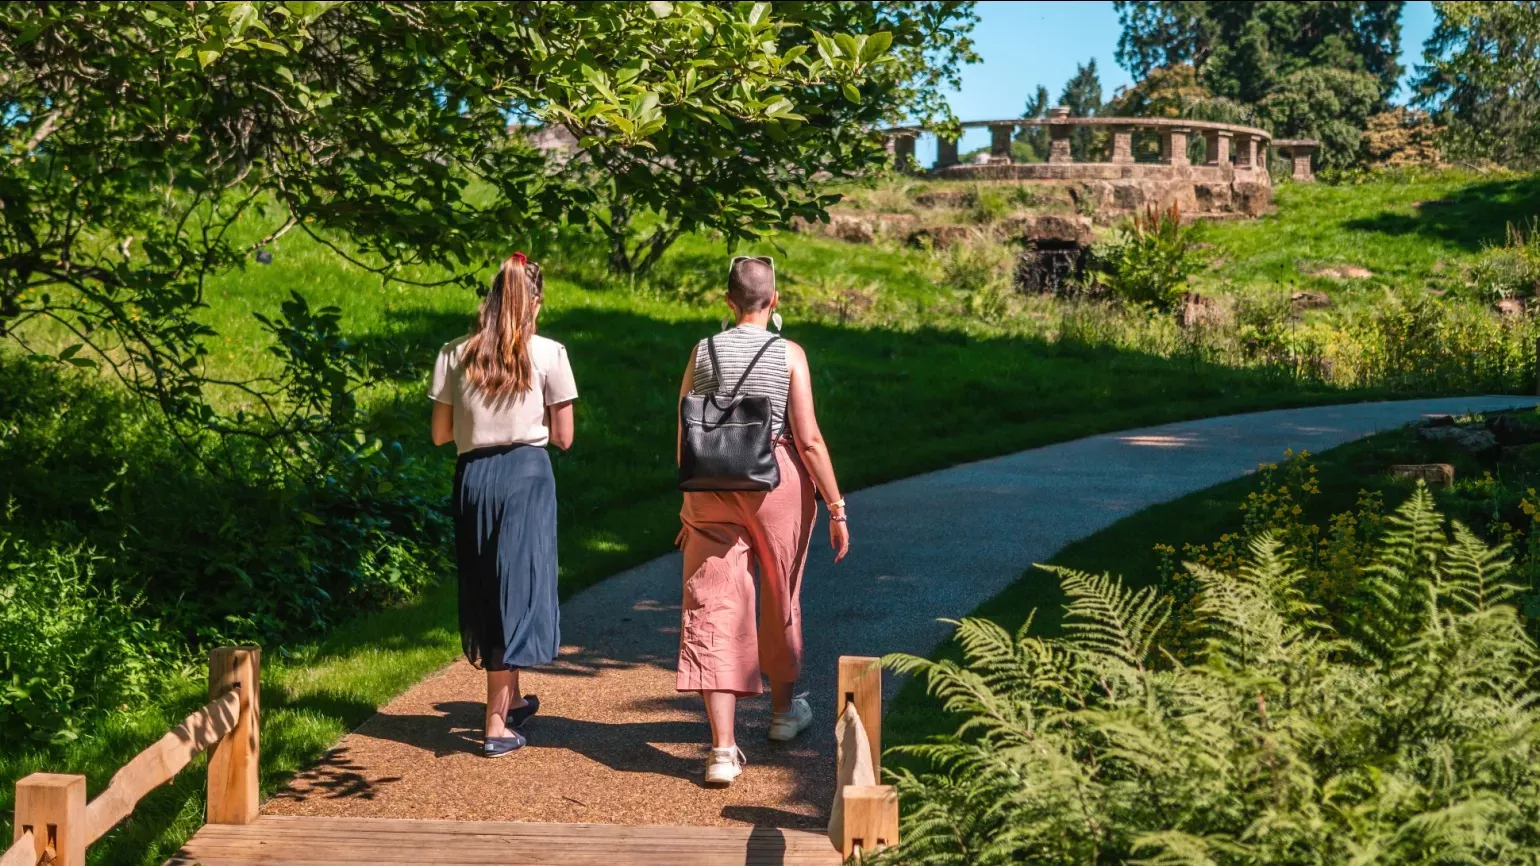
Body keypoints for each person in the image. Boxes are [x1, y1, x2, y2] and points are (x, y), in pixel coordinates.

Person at [675, 255, 851, 786]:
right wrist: (837, 506)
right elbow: (810, 438)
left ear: (728, 301)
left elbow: (684, 424)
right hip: (775, 483)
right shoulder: (788, 353)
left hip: (707, 484)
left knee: (712, 601)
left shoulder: (702, 351)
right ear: (774, 301)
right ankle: (781, 715)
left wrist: (685, 503)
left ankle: (722, 750)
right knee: (781, 594)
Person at [430, 253, 577, 758]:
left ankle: (510, 700)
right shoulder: (549, 353)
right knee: (515, 591)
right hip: (526, 476)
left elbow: (440, 434)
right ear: (534, 301)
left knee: (486, 582)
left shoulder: (456, 353)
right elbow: (564, 438)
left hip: (473, 478)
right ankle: (495, 726)